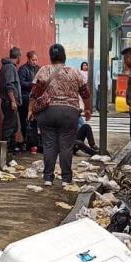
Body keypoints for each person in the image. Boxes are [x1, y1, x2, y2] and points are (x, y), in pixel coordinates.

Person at [29, 44, 91, 187]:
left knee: (49, 145)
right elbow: (85, 93)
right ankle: (66, 179)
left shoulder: (43, 70)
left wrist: (31, 110)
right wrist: (88, 109)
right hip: (69, 113)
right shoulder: (75, 72)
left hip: (47, 113)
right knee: (66, 146)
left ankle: (48, 178)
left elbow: (34, 93)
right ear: (64, 56)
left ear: (51, 56)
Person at [0, 47, 22, 153]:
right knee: (9, 126)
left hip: (9, 101)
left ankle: (12, 148)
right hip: (9, 102)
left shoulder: (9, 67)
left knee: (13, 125)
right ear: (18, 57)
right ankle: (6, 151)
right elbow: (10, 85)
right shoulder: (9, 68)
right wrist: (13, 101)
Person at [18, 51, 40, 151]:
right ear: (28, 59)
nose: (34, 62)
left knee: (34, 121)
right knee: (25, 121)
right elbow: (21, 83)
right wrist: (32, 84)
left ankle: (34, 143)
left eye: (36, 60)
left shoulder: (38, 69)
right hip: (25, 98)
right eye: (33, 60)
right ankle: (26, 142)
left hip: (35, 99)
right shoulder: (23, 69)